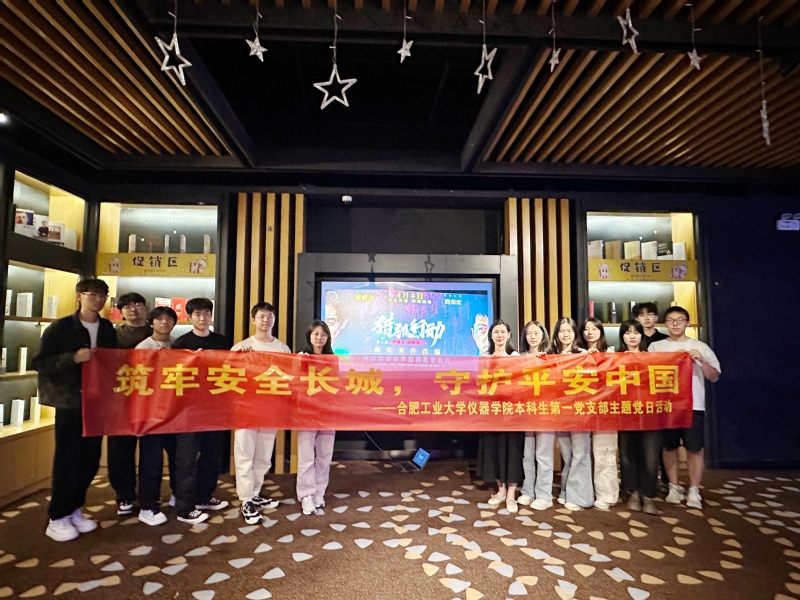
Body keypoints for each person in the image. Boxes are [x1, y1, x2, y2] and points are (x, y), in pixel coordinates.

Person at [32, 278, 117, 541]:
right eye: (93, 294)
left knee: (90, 459)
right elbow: (40, 362)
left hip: (97, 403)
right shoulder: (61, 327)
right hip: (70, 403)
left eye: (103, 295)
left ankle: (75, 508)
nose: (98, 300)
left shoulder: (106, 327)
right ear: (79, 295)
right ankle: (57, 516)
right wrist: (73, 358)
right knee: (68, 459)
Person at [649, 306, 720, 510]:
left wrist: (700, 360)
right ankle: (673, 486)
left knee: (694, 448)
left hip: (693, 405)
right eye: (670, 320)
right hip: (667, 406)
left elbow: (714, 376)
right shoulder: (656, 347)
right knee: (669, 447)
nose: (675, 324)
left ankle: (694, 489)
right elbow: (646, 374)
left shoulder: (700, 346)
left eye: (680, 320)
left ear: (687, 323)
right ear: (665, 323)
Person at [170, 298, 231, 524]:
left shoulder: (221, 341)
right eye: (197, 314)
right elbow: (173, 375)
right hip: (189, 410)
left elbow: (231, 369)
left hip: (215, 408)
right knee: (186, 458)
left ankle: (204, 496)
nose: (202, 318)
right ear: (189, 317)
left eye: (206, 313)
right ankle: (184, 507)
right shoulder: (181, 343)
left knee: (212, 455)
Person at [232, 302, 290, 524]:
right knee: (244, 455)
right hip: (246, 410)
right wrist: (241, 360)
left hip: (270, 410)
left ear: (274, 320)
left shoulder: (282, 348)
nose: (266, 320)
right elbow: (228, 375)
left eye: (269, 316)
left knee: (264, 457)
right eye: (261, 316)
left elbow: (289, 377)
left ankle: (255, 492)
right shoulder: (241, 347)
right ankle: (246, 499)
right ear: (253, 320)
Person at [133, 306, 179, 526]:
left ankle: (178, 494)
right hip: (151, 414)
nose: (164, 323)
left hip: (174, 413)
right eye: (159, 319)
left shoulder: (177, 345)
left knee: (179, 457)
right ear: (151, 323)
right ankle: (148, 505)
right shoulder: (143, 348)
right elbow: (136, 383)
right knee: (151, 461)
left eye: (169, 319)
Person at [108, 293, 152, 517]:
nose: (133, 309)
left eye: (138, 304)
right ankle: (124, 495)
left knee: (151, 450)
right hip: (121, 400)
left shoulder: (157, 333)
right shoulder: (112, 336)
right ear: (120, 311)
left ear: (146, 308)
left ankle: (149, 494)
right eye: (126, 306)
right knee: (120, 450)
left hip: (151, 401)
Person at [475, 319, 524, 514]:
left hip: (512, 413)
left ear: (509, 335)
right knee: (494, 450)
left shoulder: (516, 357)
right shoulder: (485, 357)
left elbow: (521, 382)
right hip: (492, 412)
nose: (500, 335)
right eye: (496, 332)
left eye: (503, 332)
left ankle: (511, 494)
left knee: (512, 451)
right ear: (491, 335)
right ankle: (501, 491)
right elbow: (479, 383)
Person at [616, 319, 662, 515]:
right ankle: (633, 493)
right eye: (627, 333)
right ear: (622, 336)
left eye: (636, 332)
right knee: (628, 455)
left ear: (642, 335)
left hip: (650, 413)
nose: (632, 336)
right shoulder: (614, 358)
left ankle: (648, 495)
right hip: (625, 413)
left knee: (650, 456)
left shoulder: (652, 357)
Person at [552, 317, 594, 511]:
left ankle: (580, 497)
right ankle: (566, 491)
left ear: (575, 333)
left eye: (569, 330)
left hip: (579, 410)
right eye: (562, 331)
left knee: (580, 454)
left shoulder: (583, 354)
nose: (565, 334)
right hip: (560, 411)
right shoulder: (552, 356)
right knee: (568, 455)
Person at [297, 320, 337, 516]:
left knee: (324, 456)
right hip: (306, 414)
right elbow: (294, 384)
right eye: (316, 334)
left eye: (323, 334)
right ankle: (306, 495)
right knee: (306, 457)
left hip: (328, 413)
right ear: (309, 336)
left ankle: (319, 492)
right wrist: (300, 364)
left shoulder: (333, 359)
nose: (319, 338)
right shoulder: (301, 357)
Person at [580, 317, 619, 511]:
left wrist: (600, 360)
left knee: (604, 453)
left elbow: (615, 380)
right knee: (582, 454)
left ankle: (607, 494)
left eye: (594, 329)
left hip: (604, 410)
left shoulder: (610, 352)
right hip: (581, 410)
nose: (590, 333)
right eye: (586, 329)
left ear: (601, 332)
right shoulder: (577, 354)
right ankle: (585, 493)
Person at [516, 321, 555, 510]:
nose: (532, 337)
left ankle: (544, 495)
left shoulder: (552, 357)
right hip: (526, 412)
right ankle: (528, 491)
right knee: (527, 455)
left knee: (543, 455)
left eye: (536, 333)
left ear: (543, 335)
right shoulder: (519, 358)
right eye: (529, 333)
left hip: (546, 412)